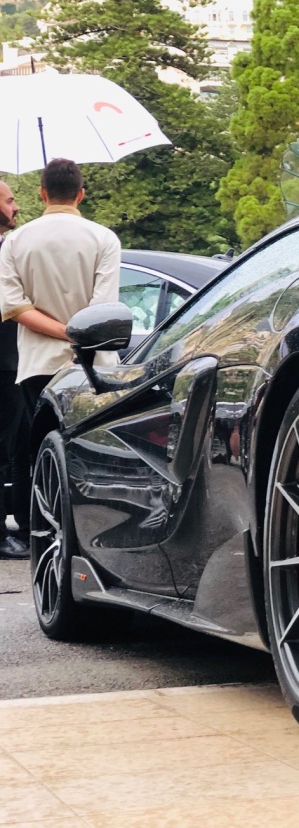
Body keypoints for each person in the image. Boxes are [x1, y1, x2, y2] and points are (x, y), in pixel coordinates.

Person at [0, 160, 121, 557]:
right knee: (87, 454)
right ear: (82, 193)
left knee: (40, 456)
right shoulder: (103, 239)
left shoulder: (16, 243)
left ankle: (45, 540)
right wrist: (78, 337)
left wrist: (60, 332)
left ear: (42, 192)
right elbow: (104, 309)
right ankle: (87, 540)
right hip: (92, 367)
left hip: (36, 365)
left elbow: (14, 307)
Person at [0, 181, 26, 559]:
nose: (15, 206)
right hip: (4, 366)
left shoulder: (10, 249)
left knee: (18, 445)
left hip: (14, 364)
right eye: (8, 200)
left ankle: (24, 520)